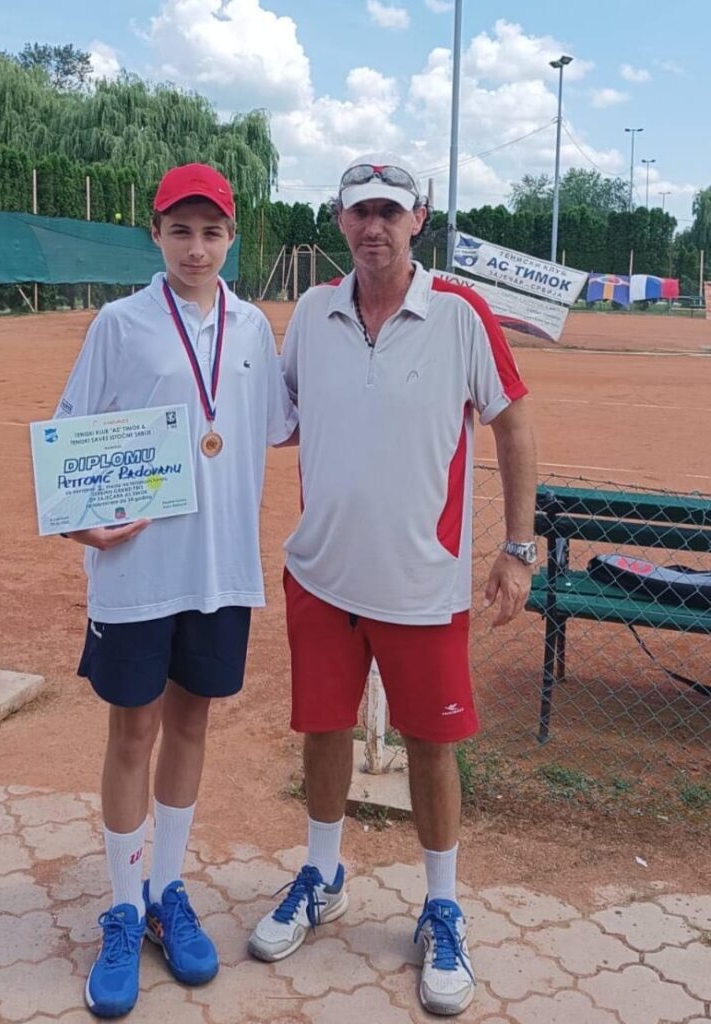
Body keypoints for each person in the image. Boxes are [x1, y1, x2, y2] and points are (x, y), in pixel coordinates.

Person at [248, 153, 537, 1017]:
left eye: (389, 211)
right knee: (322, 729)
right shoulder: (311, 312)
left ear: (418, 219)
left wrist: (517, 548)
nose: (373, 226)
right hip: (321, 575)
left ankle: (441, 906)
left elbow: (514, 425)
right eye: (358, 211)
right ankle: (321, 874)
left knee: (431, 745)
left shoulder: (459, 313)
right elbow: (278, 417)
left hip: (422, 583)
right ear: (339, 221)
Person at [54, 163, 297, 1019]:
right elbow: (71, 436)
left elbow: (279, 425)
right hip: (136, 571)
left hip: (218, 569)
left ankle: (165, 892)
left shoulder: (253, 327)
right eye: (181, 230)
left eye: (212, 232)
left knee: (191, 724)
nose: (197, 247)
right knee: (133, 731)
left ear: (232, 238)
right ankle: (123, 911)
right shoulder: (119, 325)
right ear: (155, 233)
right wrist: (80, 525)